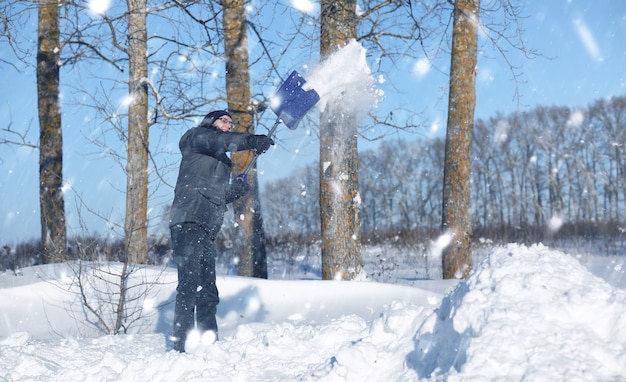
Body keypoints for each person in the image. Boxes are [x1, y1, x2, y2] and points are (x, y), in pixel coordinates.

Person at [169, 110, 274, 352]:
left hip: (206, 228)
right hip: (188, 221)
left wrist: (235, 190)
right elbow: (222, 141)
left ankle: (209, 345)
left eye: (230, 122)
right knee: (189, 286)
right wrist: (250, 141)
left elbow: (215, 193)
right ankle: (178, 348)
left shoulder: (223, 161)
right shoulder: (195, 138)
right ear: (210, 122)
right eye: (223, 121)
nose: (228, 125)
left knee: (207, 290)